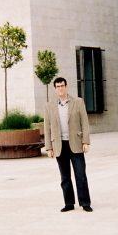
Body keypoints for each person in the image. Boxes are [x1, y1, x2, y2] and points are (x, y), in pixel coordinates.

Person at [44, 77, 93, 212]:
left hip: (76, 143)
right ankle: (69, 203)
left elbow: (85, 123)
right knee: (65, 177)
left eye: (62, 86)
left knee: (81, 175)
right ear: (55, 89)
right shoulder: (49, 106)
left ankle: (85, 202)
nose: (60, 88)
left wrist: (86, 141)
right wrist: (49, 147)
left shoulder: (78, 102)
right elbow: (47, 127)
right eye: (58, 86)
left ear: (66, 86)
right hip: (60, 146)